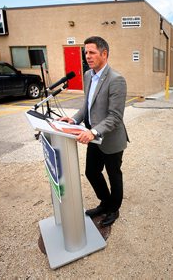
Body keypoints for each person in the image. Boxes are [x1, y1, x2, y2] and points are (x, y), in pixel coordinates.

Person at [59, 36, 129, 227]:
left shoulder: (116, 80)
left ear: (104, 54)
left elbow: (115, 117)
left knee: (114, 174)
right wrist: (74, 119)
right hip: (94, 137)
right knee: (92, 172)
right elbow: (87, 105)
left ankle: (113, 209)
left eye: (92, 52)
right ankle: (105, 203)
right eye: (85, 52)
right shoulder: (89, 75)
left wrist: (93, 132)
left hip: (110, 138)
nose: (87, 56)